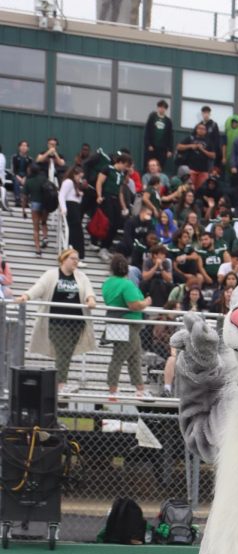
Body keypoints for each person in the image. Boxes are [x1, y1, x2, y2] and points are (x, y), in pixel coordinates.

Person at [17, 248, 97, 395]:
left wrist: (90, 299)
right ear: (63, 259)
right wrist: (26, 296)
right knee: (64, 351)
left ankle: (60, 382)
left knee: (66, 353)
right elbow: (38, 288)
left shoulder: (81, 276)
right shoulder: (51, 275)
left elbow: (88, 291)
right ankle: (60, 384)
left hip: (76, 323)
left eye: (77, 259)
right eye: (73, 258)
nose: (76, 262)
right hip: (57, 323)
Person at [101, 253, 153, 401]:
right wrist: (146, 302)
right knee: (119, 358)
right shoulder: (127, 284)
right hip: (128, 324)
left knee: (135, 358)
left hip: (114, 322)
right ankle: (113, 392)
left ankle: (140, 390)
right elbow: (134, 305)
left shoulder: (107, 283)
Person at [95, 150, 132, 262]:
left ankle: (106, 246)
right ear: (120, 162)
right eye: (125, 165)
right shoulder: (107, 169)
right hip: (107, 197)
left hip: (116, 199)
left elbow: (120, 192)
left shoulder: (121, 174)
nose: (125, 168)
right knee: (109, 222)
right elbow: (99, 182)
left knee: (117, 223)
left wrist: (124, 206)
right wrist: (99, 195)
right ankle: (102, 247)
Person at [58, 166, 86, 259]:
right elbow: (61, 195)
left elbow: (78, 200)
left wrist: (81, 193)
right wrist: (63, 208)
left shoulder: (76, 185)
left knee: (77, 232)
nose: (80, 179)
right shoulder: (68, 182)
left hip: (76, 207)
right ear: (74, 175)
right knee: (75, 231)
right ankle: (75, 254)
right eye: (79, 177)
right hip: (70, 207)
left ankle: (78, 255)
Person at [143, 101, 173, 168]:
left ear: (166, 109)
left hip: (162, 148)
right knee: (149, 164)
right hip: (152, 147)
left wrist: (170, 150)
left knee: (160, 165)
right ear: (157, 108)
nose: (162, 109)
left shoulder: (168, 121)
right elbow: (147, 132)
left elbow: (170, 136)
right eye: (160, 107)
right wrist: (148, 144)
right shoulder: (152, 117)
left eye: (163, 108)